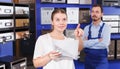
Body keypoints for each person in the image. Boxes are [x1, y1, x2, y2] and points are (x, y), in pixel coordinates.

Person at [83, 4, 111, 69]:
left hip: (101, 63)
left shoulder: (106, 28)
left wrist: (88, 42)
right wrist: (97, 40)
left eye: (97, 12)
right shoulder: (86, 28)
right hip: (88, 62)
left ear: (101, 14)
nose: (94, 14)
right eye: (92, 11)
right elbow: (83, 44)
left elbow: (104, 44)